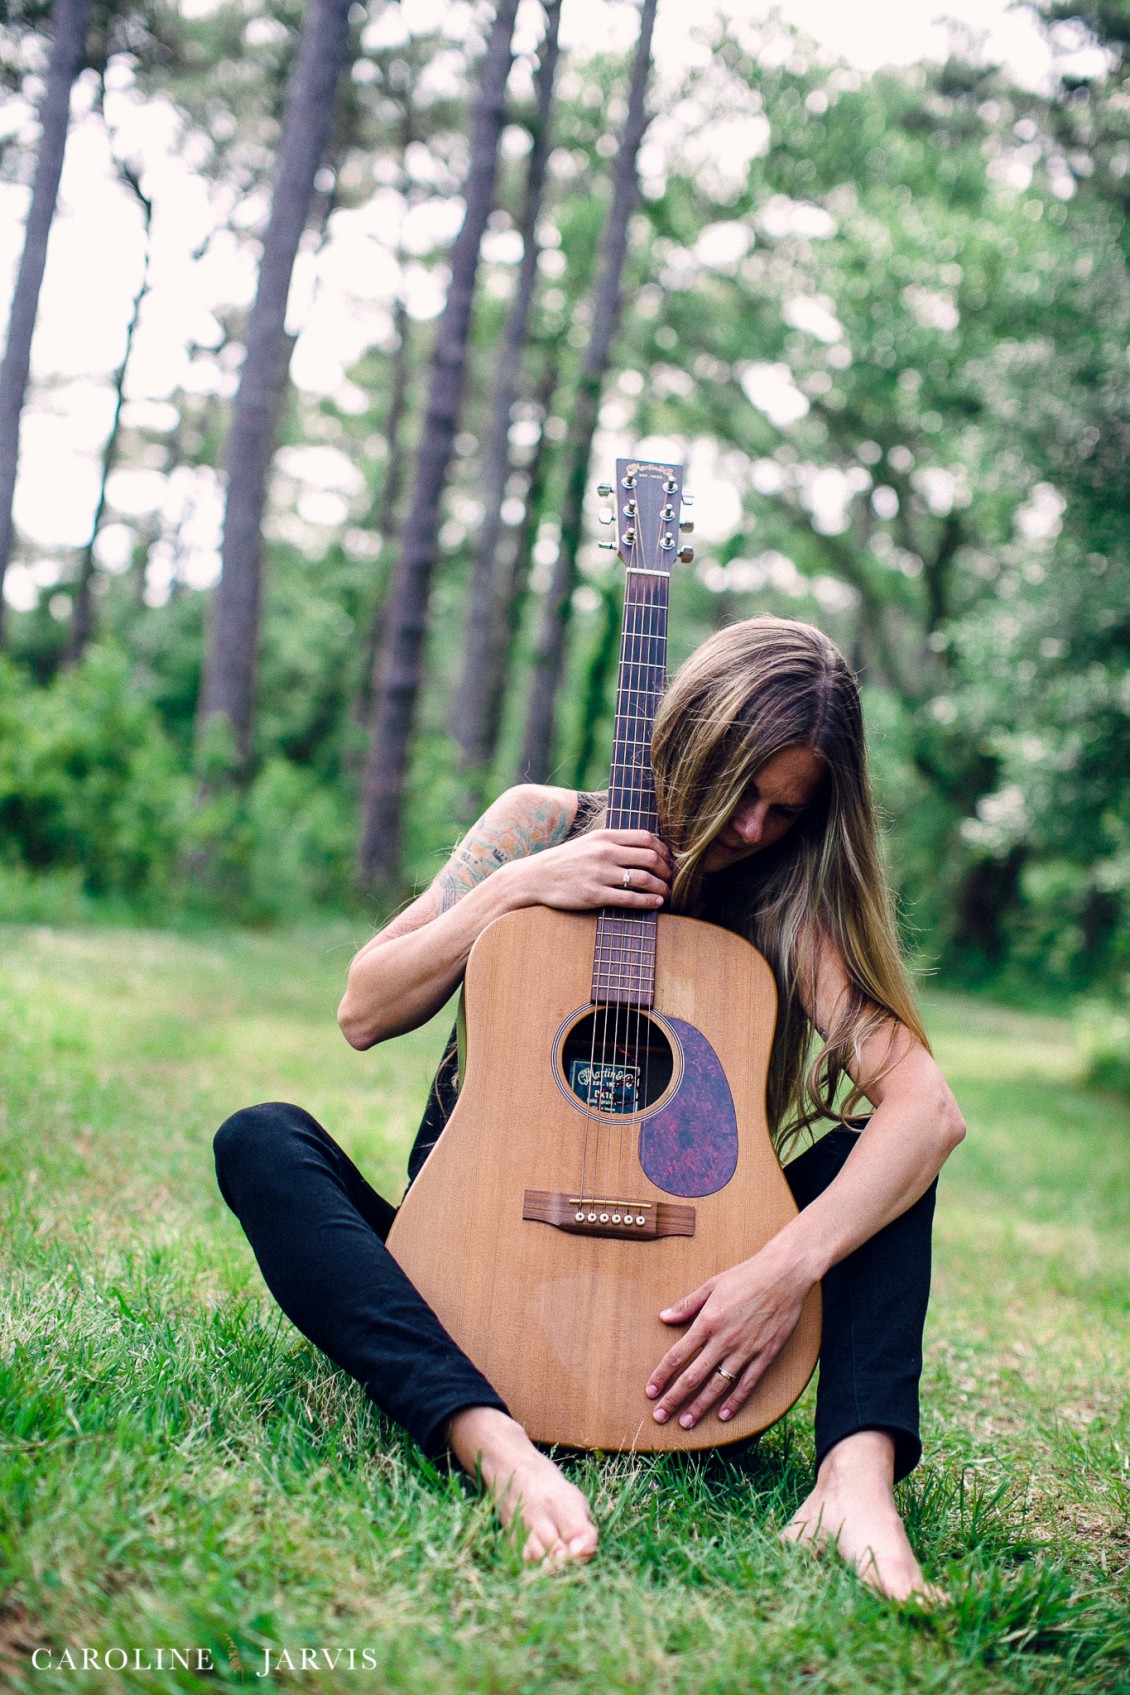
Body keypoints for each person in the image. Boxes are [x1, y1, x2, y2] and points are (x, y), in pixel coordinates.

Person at [214, 615, 966, 1600]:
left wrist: (781, 1272)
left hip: (678, 1297)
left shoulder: (787, 904)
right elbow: (364, 1009)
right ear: (690, 733)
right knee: (260, 1140)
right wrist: (522, 886)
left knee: (882, 1156)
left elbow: (928, 1108)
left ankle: (853, 1484)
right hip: (469, 1268)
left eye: (783, 812)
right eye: (740, 789)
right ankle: (492, 1444)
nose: (750, 829)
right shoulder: (535, 823)